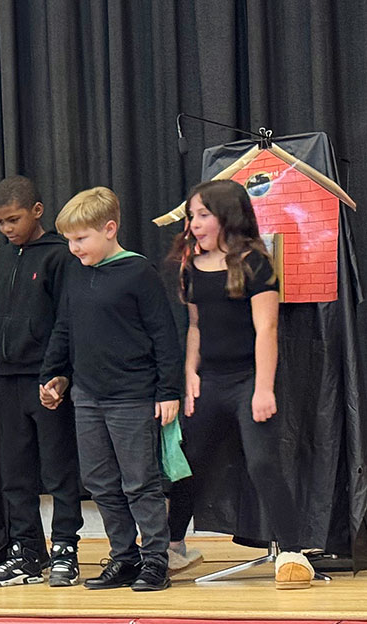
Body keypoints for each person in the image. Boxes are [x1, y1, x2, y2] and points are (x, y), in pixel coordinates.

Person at [172, 179, 313, 589]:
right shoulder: (190, 265)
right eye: (191, 216)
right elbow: (195, 326)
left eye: (203, 215)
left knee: (263, 461)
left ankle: (291, 552)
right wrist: (190, 375)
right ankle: (173, 546)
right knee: (189, 462)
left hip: (248, 379)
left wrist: (264, 388)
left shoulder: (254, 263)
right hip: (210, 380)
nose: (194, 223)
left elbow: (266, 329)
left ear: (226, 216)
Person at [40, 187, 182, 592]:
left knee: (139, 481)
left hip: (133, 395)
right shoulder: (77, 272)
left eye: (80, 239)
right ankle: (124, 557)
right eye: (68, 240)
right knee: (100, 482)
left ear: (109, 229)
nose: (73, 248)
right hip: (88, 396)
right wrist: (51, 374)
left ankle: (156, 558)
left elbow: (164, 334)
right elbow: (65, 327)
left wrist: (167, 390)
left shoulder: (138, 272)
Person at [0, 176, 86, 588]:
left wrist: (60, 375)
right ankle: (27, 551)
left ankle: (65, 548)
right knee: (15, 472)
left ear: (38, 212)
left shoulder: (59, 256)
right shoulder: (0, 260)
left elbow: (66, 321)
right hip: (6, 382)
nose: (7, 229)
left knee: (58, 470)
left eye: (14, 219)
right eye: (1, 222)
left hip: (46, 381)